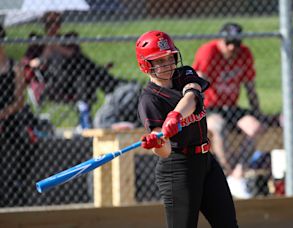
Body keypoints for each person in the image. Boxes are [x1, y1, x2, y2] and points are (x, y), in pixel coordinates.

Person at [136, 30, 238, 227]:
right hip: (178, 168)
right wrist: (158, 141)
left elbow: (192, 95)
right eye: (159, 61)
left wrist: (175, 116)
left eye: (170, 58)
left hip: (207, 161)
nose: (168, 65)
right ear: (146, 65)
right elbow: (164, 152)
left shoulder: (184, 74)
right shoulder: (149, 100)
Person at [192, 22, 265, 198]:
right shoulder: (209, 52)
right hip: (209, 106)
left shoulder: (244, 54)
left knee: (256, 128)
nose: (233, 48)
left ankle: (238, 175)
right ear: (222, 40)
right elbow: (197, 85)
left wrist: (257, 111)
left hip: (231, 107)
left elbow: (250, 87)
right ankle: (229, 174)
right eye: (229, 43)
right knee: (219, 127)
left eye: (237, 44)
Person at [24, 12, 123, 129]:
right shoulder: (38, 43)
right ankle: (111, 87)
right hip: (53, 82)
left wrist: (57, 46)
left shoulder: (67, 39)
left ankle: (84, 118)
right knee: (82, 66)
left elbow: (74, 54)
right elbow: (29, 64)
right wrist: (47, 50)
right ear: (44, 25)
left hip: (74, 81)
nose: (54, 26)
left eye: (57, 22)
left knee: (82, 73)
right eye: (49, 23)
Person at [0, 25, 34, 206]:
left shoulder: (14, 67)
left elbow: (19, 100)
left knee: (26, 141)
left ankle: (18, 181)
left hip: (10, 115)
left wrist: (4, 113)